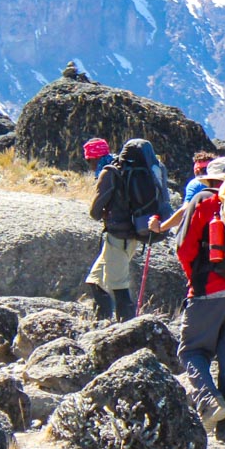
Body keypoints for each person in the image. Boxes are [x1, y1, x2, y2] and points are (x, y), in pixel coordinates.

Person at [159, 157, 225, 449]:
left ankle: (208, 399)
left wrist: (196, 281)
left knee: (192, 351)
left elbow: (184, 247)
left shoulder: (204, 200)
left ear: (210, 180)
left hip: (209, 290)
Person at [84, 138, 171, 322]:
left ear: (94, 158)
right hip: (134, 234)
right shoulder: (133, 170)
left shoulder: (110, 173)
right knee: (95, 280)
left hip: (118, 237)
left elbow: (95, 212)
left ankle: (127, 328)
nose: (89, 165)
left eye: (88, 160)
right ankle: (101, 321)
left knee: (118, 286)